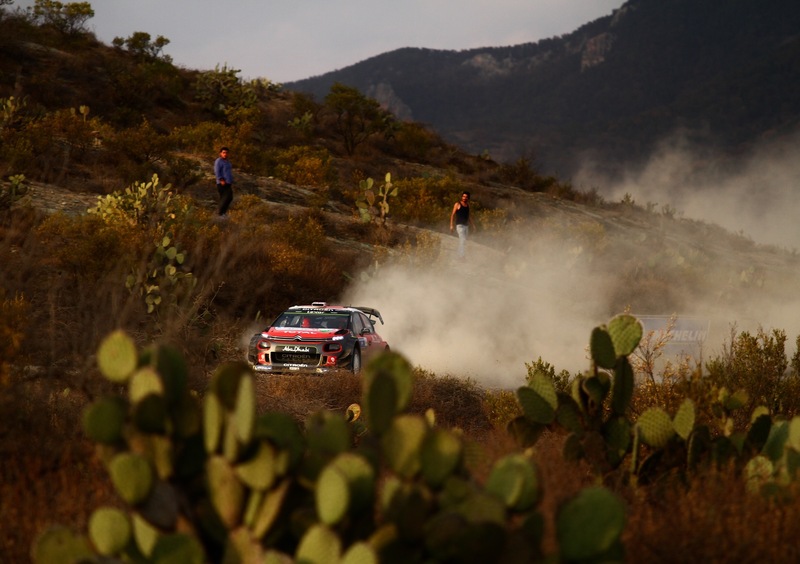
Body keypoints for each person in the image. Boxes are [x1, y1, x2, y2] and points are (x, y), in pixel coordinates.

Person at [450, 191, 476, 258]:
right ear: (462, 197)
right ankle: (461, 256)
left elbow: (469, 216)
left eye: (466, 197)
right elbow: (452, 214)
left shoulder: (468, 205)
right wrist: (451, 225)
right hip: (459, 225)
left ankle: (459, 255)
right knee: (462, 239)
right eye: (463, 196)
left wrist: (473, 225)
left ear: (468, 198)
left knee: (463, 241)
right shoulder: (457, 204)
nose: (464, 198)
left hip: (466, 226)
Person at [214, 146, 234, 216]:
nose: (225, 154)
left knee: (229, 197)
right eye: (223, 153)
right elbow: (217, 171)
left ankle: (223, 213)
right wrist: (221, 179)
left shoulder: (228, 162)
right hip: (222, 183)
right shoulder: (219, 161)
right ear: (220, 153)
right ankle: (220, 213)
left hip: (228, 183)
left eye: (226, 153)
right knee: (226, 197)